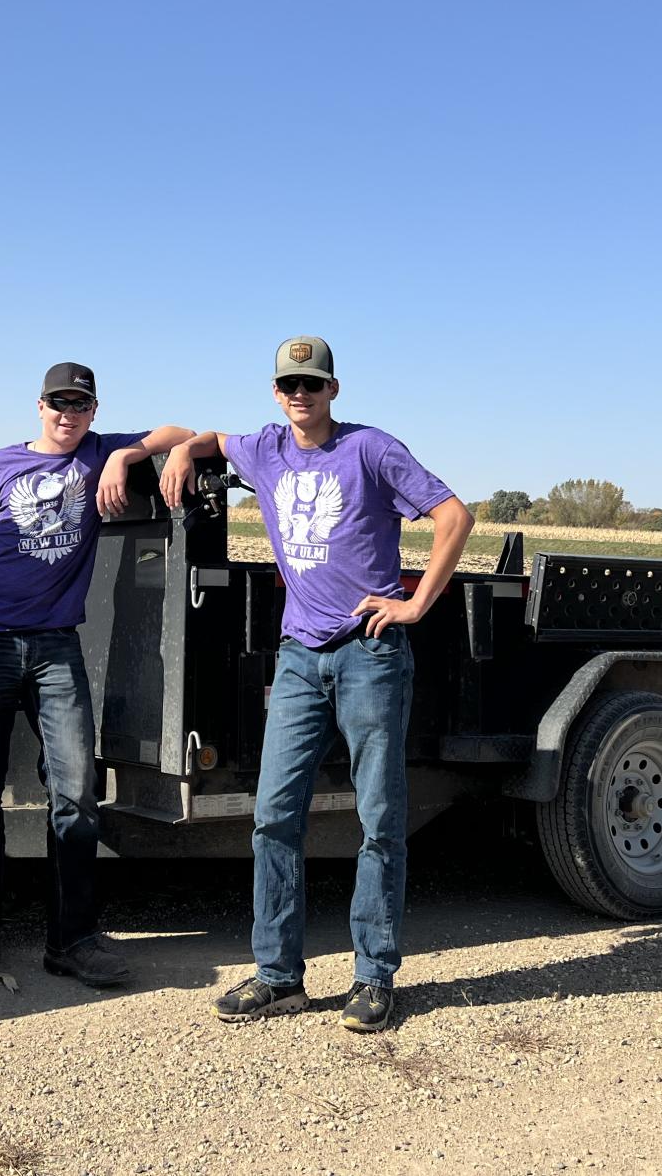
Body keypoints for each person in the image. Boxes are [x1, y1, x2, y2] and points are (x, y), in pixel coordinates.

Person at [160, 335, 472, 1034]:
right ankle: (277, 977)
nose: (299, 394)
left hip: (369, 652)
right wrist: (183, 451)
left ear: (333, 388)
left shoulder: (371, 449)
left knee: (379, 817)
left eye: (312, 383)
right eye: (288, 384)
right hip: (300, 656)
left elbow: (455, 517)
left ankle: (373, 976)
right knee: (273, 813)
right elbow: (208, 437)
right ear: (276, 392)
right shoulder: (265, 447)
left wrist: (415, 603)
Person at [0, 363, 191, 988]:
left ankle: (71, 940)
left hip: (54, 648)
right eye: (58, 404)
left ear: (94, 411)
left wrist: (126, 458)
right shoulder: (0, 464)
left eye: (81, 405)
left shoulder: (99, 451)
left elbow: (180, 430)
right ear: (39, 406)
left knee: (75, 792)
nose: (68, 415)